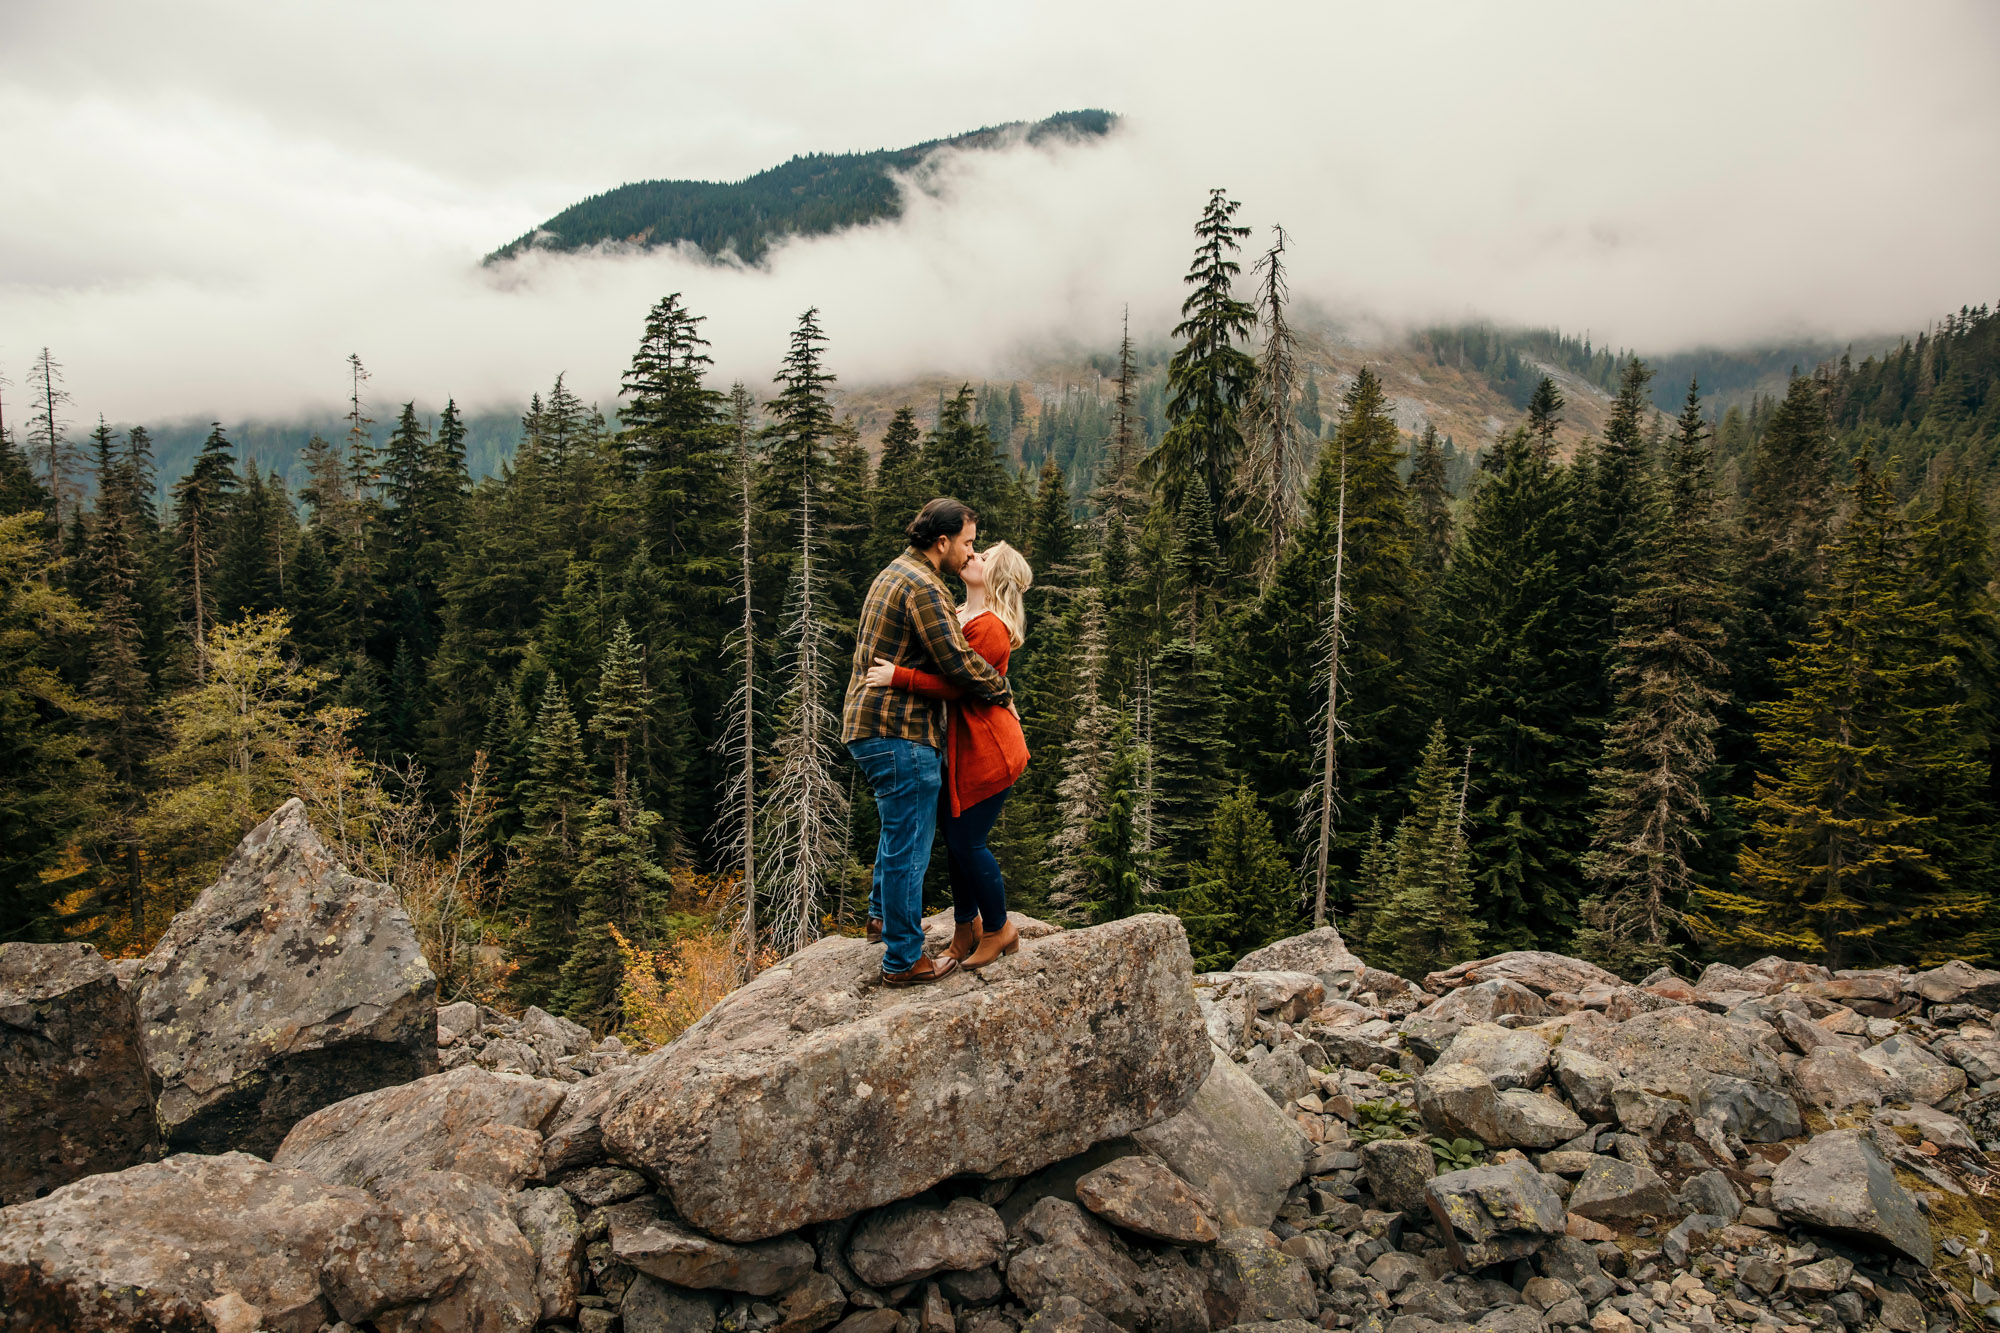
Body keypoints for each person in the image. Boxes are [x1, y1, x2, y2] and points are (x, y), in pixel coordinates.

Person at [842, 497, 1014, 986]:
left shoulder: (894, 573)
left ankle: (881, 918)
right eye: (968, 542)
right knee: (910, 847)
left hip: (870, 726)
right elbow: (958, 662)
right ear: (943, 542)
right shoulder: (925, 587)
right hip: (901, 730)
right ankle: (904, 960)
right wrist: (1000, 686)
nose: (970, 552)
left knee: (897, 835)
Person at [865, 540, 1032, 969]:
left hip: (988, 751)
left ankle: (999, 928)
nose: (973, 556)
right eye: (977, 550)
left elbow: (959, 685)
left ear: (995, 577)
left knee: (967, 842)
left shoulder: (990, 627)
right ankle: (966, 928)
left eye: (984, 557)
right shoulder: (963, 615)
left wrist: (898, 677)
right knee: (959, 843)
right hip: (965, 749)